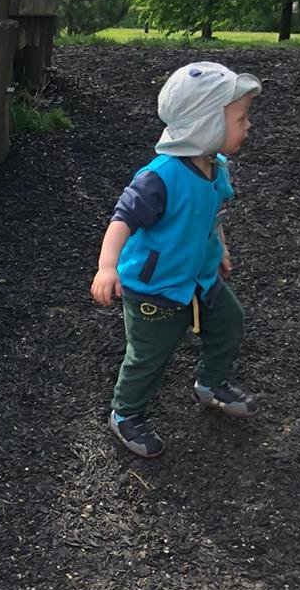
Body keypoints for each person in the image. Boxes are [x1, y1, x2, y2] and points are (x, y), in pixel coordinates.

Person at [91, 61, 262, 458]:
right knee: (149, 357)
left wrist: (220, 248)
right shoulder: (161, 177)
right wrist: (107, 266)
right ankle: (126, 413)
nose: (248, 126)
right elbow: (122, 220)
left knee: (229, 322)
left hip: (200, 277)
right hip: (156, 287)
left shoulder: (217, 168)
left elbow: (214, 215)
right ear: (206, 125)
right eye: (240, 119)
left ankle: (211, 383)